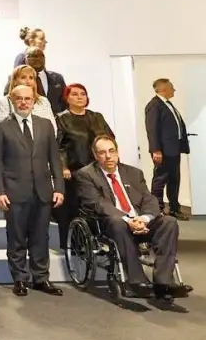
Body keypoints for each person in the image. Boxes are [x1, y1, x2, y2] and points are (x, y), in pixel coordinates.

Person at [76, 136, 189, 302]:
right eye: (102, 152)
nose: (108, 156)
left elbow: (149, 199)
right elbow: (98, 204)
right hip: (112, 223)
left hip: (140, 220)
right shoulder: (86, 175)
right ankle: (137, 281)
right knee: (118, 223)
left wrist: (144, 219)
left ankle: (164, 282)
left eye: (111, 151)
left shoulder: (134, 173)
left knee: (169, 222)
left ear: (117, 152)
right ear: (95, 155)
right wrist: (128, 220)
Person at [0, 85, 65, 297]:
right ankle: (20, 279)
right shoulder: (1, 127)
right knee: (17, 238)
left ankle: (41, 278)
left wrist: (59, 187)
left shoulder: (45, 125)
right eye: (19, 99)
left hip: (43, 190)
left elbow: (55, 159)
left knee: (41, 237)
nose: (23, 102)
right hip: (14, 191)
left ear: (34, 101)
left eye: (27, 99)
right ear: (12, 101)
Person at [55, 84, 115, 248]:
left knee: (101, 205)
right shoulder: (61, 119)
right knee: (76, 208)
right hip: (74, 171)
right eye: (75, 94)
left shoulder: (97, 117)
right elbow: (58, 146)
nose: (80, 97)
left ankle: (101, 240)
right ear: (67, 98)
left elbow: (109, 139)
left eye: (83, 94)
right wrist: (63, 166)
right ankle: (76, 244)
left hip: (98, 169)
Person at [145, 77, 190, 221]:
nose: (174, 89)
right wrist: (156, 150)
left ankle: (174, 208)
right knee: (160, 180)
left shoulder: (167, 104)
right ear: (163, 89)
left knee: (174, 179)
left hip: (173, 150)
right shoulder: (154, 105)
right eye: (172, 87)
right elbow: (152, 129)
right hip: (162, 151)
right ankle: (157, 210)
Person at [24, 46, 66, 114]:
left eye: (41, 56)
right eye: (33, 56)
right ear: (25, 59)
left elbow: (65, 102)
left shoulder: (57, 78)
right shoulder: (17, 78)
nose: (38, 59)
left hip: (56, 119)